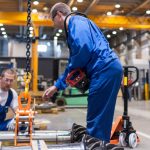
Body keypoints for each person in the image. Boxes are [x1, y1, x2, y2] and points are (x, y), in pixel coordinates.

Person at [43, 2, 123, 144]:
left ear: (59, 15)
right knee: (101, 116)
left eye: (52, 19)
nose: (53, 24)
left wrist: (62, 82)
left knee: (96, 117)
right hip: (108, 68)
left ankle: (96, 145)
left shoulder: (75, 22)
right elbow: (81, 54)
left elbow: (83, 49)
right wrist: (58, 85)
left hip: (103, 69)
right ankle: (100, 144)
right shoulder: (83, 22)